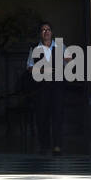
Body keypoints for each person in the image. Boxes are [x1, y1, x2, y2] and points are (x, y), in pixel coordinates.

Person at [27, 21, 63, 153]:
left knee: (57, 115)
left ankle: (57, 145)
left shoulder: (60, 46)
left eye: (48, 29)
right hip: (41, 88)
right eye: (43, 30)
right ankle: (44, 145)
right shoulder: (34, 48)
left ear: (51, 32)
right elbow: (30, 68)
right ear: (40, 33)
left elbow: (70, 62)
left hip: (57, 86)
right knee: (42, 116)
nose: (46, 32)